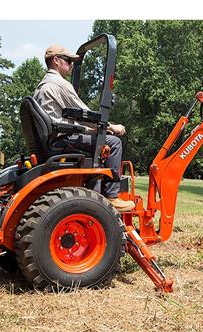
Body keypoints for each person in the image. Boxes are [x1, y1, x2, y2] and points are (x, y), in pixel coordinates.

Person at [33, 44, 135, 212]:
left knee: (102, 138)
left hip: (55, 139)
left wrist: (92, 130)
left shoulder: (42, 85)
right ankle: (112, 196)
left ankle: (96, 189)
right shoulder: (58, 84)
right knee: (114, 142)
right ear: (56, 61)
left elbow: (66, 119)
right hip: (63, 140)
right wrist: (110, 126)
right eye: (68, 61)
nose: (71, 65)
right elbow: (85, 114)